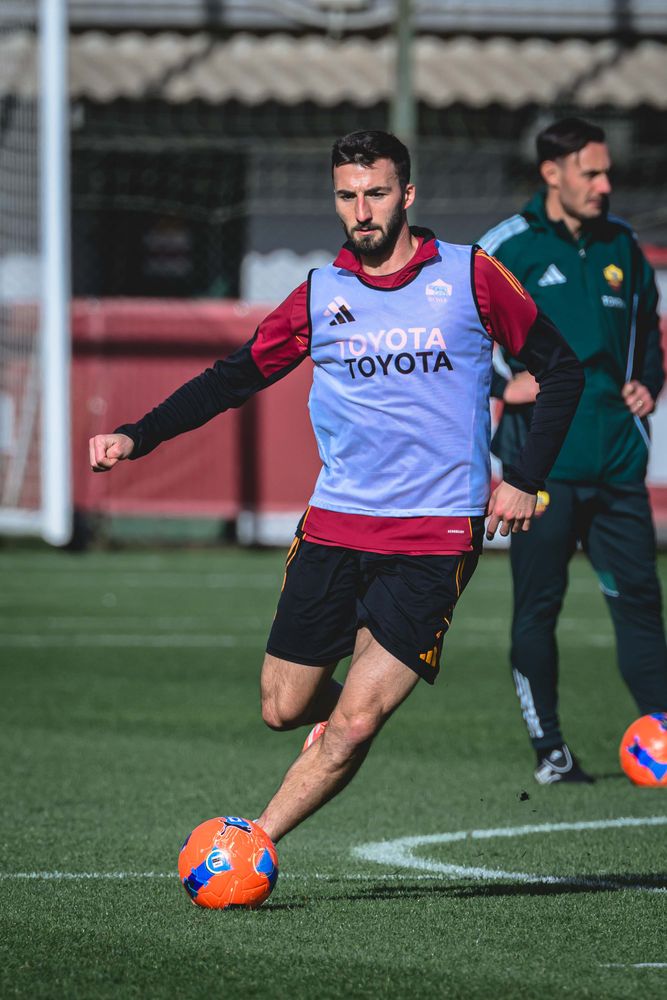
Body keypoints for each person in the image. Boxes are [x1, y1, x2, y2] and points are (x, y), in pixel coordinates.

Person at [90, 130, 583, 843]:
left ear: (406, 195)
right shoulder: (321, 294)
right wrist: (139, 433)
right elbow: (234, 377)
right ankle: (333, 724)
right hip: (333, 529)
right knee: (283, 709)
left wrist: (524, 480)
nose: (362, 210)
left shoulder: (470, 274)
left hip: (434, 536)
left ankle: (250, 844)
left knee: (355, 721)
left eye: (376, 193)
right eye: (348, 196)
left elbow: (560, 370)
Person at [479, 117, 667, 785]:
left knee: (641, 603)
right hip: (540, 469)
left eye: (605, 171)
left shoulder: (624, 246)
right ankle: (550, 751)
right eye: (590, 172)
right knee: (538, 606)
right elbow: (458, 339)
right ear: (550, 173)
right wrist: (506, 382)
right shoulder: (504, 249)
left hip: (617, 464)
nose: (604, 184)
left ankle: (661, 735)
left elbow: (647, 335)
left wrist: (649, 381)